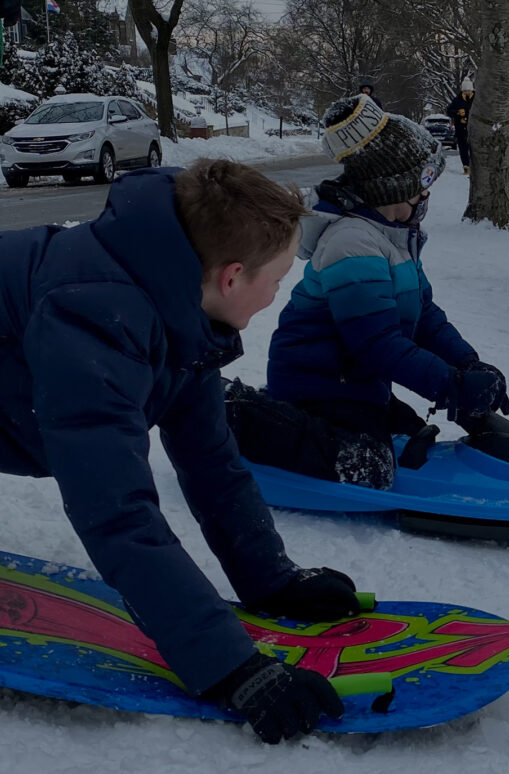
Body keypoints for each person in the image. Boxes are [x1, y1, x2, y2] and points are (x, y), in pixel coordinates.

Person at [0, 158, 358, 744]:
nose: (277, 294)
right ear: (232, 277)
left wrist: (269, 580)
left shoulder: (177, 306)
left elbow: (212, 460)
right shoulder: (95, 316)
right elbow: (115, 511)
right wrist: (230, 666)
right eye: (278, 278)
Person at [226, 95, 509, 492]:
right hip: (317, 385)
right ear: (391, 187)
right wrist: (452, 387)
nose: (427, 196)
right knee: (370, 466)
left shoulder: (395, 237)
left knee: (412, 436)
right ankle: (240, 416)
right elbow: (376, 344)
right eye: (423, 184)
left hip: (353, 384)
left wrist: (467, 364)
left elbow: (423, 313)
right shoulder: (353, 244)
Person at [447, 78, 475, 175]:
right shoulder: (457, 100)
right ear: (463, 90)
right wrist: (458, 113)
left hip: (474, 128)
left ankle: (475, 167)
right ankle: (466, 166)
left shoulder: (476, 99)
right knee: (463, 148)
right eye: (466, 90)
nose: (468, 92)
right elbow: (449, 111)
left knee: (474, 148)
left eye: (469, 90)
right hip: (461, 128)